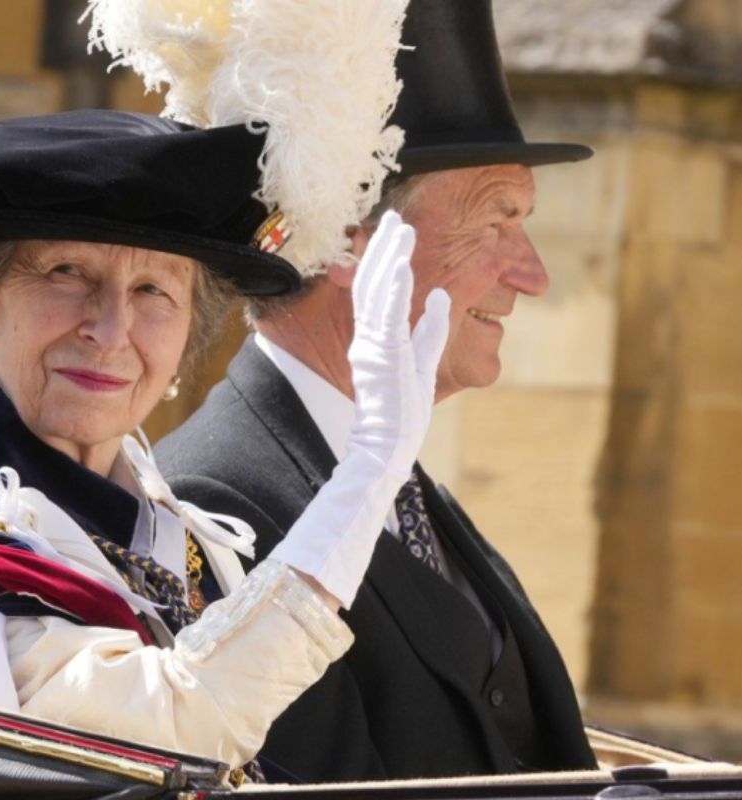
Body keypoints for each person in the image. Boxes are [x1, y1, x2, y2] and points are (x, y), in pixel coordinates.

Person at [0, 108, 451, 776]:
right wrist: (367, 473)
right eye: (67, 273)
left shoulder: (190, 544)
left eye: (153, 290)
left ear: (186, 338)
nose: (110, 328)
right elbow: (169, 732)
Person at [156, 0, 601, 783]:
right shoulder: (211, 503)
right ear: (347, 244)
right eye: (495, 223)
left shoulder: (412, 493)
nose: (533, 274)